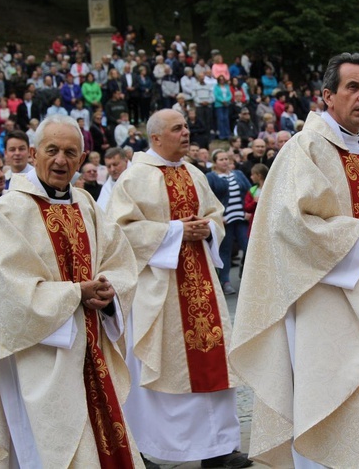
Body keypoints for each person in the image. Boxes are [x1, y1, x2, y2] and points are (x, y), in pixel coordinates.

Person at [230, 53, 359, 468]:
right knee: (334, 402)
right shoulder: (304, 149)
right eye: (352, 87)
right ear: (327, 96)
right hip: (324, 303)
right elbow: (289, 225)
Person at [0, 114, 143, 468]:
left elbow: (120, 261)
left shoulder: (86, 205)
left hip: (90, 345)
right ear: (32, 153)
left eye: (71, 153)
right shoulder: (12, 209)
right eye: (52, 150)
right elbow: (8, 289)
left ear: (82, 158)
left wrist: (109, 291)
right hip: (39, 353)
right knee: (51, 446)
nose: (61, 160)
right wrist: (75, 294)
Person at [108, 109, 252, 469]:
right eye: (177, 128)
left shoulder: (194, 173)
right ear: (155, 138)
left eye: (186, 126)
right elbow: (118, 232)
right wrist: (173, 232)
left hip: (201, 282)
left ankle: (218, 448)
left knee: (213, 361)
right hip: (161, 291)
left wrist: (208, 230)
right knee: (160, 367)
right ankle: (153, 449)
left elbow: (214, 215)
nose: (186, 133)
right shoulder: (135, 178)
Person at [206, 149, 251, 295]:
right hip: (225, 220)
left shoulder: (238, 174)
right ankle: (225, 281)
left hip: (241, 217)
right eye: (221, 159)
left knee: (249, 247)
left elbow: (250, 191)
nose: (224, 162)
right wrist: (217, 216)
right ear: (215, 162)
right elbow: (208, 198)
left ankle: (251, 278)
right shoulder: (211, 177)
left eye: (226, 159)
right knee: (225, 251)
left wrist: (249, 210)